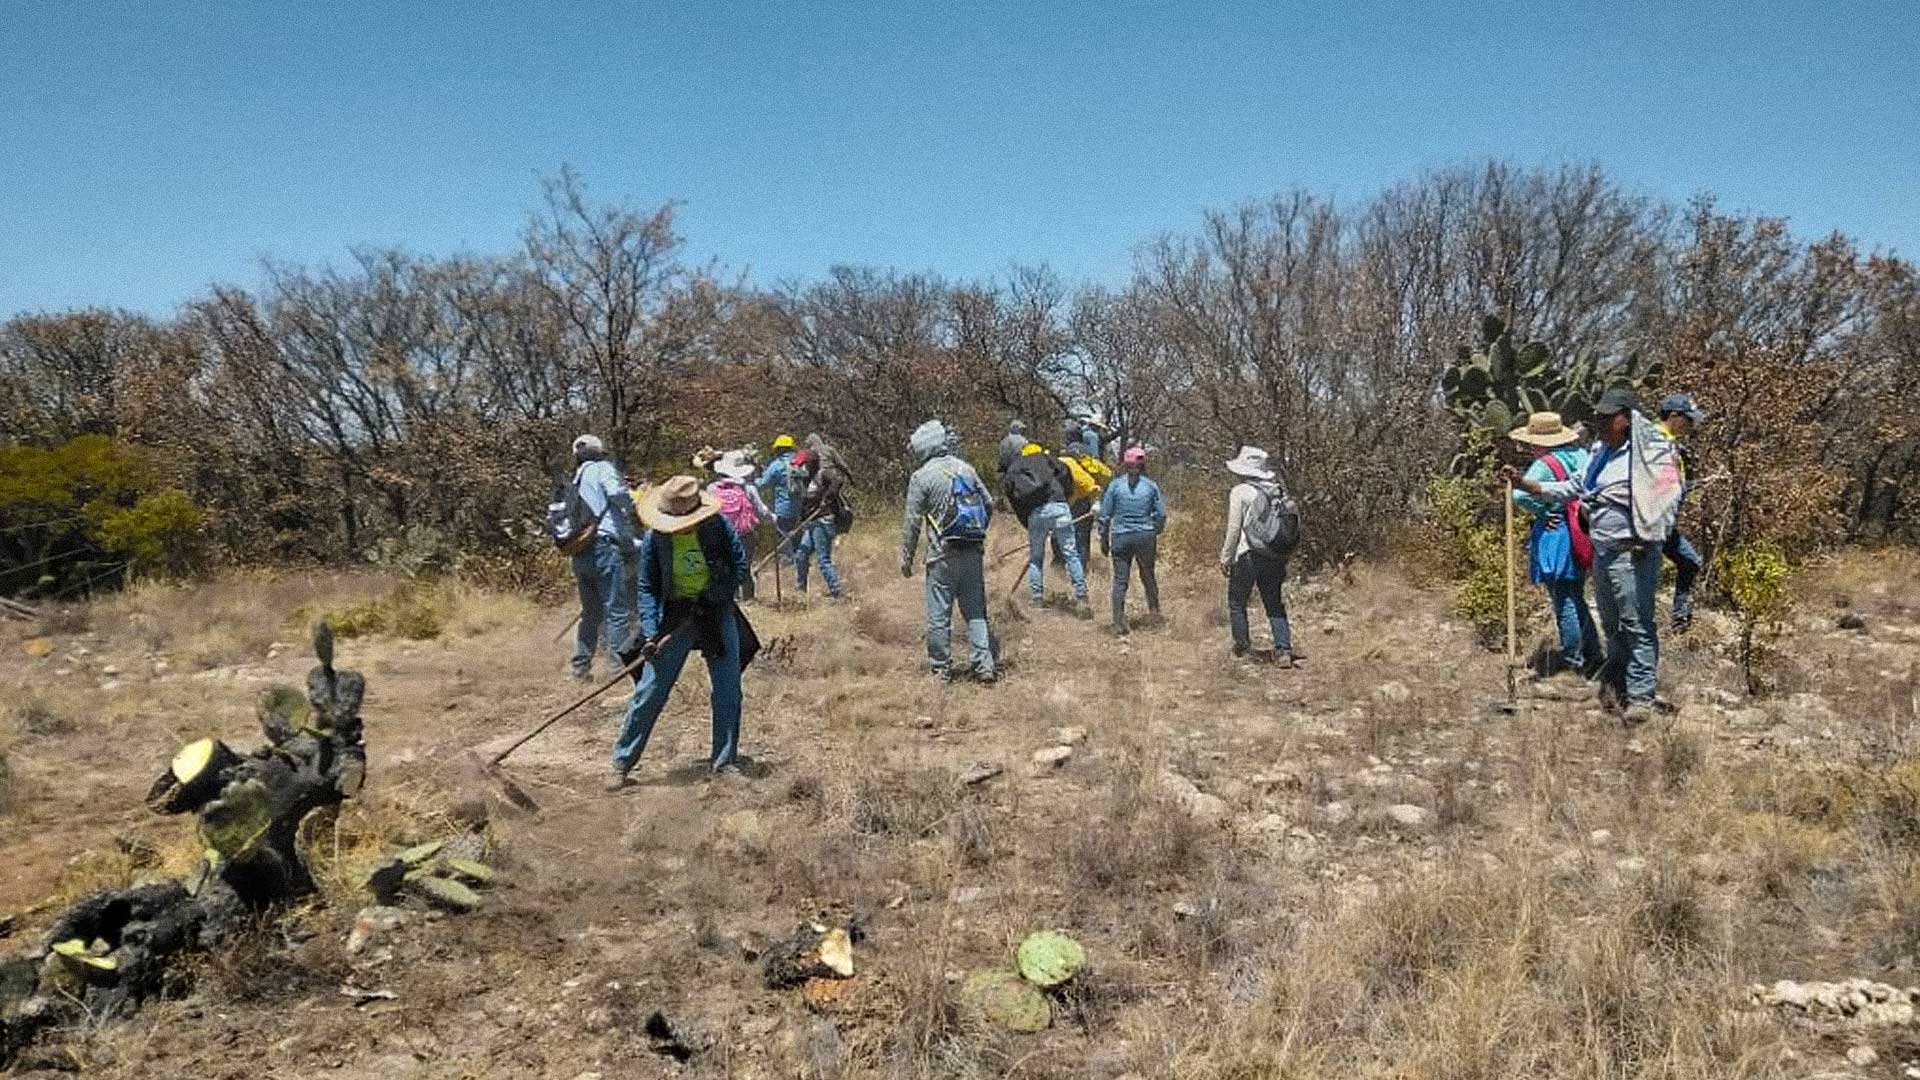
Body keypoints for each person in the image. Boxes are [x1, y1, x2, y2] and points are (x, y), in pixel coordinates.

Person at [1508, 387, 1668, 725]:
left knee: (1636, 624)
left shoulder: (1647, 455)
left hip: (1633, 552)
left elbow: (1667, 495)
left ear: (1625, 418)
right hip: (1604, 550)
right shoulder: (1599, 453)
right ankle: (1616, 686)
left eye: (1607, 417)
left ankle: (1641, 696)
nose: (1600, 422)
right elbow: (1574, 487)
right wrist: (1526, 484)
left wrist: (1647, 531)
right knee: (1612, 624)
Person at [608, 475, 758, 789]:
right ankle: (621, 763)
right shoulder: (656, 538)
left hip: (715, 612)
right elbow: (648, 586)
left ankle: (724, 763)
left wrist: (716, 594)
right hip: (674, 617)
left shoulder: (717, 527)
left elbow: (739, 565)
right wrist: (650, 633)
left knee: (728, 689)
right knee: (650, 690)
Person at [900, 419, 998, 682]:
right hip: (972, 551)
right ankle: (985, 666)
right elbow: (988, 503)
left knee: (939, 615)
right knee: (976, 612)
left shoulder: (921, 478)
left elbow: (912, 522)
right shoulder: (966, 469)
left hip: (941, 554)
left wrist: (906, 559)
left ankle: (941, 670)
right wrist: (979, 533)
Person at [1508, 412, 1601, 681]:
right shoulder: (1582, 456)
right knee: (1576, 596)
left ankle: (1574, 662)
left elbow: (1520, 494)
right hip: (1582, 530)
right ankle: (1593, 654)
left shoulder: (1544, 464)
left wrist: (1544, 511)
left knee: (1563, 598)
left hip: (1557, 532)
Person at [564, 434, 638, 681]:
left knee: (591, 612)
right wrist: (633, 502)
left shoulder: (576, 478)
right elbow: (616, 493)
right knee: (616, 610)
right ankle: (620, 669)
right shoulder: (603, 468)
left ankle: (580, 667)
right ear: (599, 452)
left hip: (580, 549)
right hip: (605, 546)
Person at [1220, 446, 1296, 665]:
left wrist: (1226, 557)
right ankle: (1283, 650)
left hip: (1248, 554)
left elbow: (1234, 529)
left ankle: (1243, 648)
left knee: (1237, 602)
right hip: (1273, 554)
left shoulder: (1240, 492)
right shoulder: (1277, 490)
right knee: (1274, 603)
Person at [1003, 444, 1091, 616]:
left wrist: (1029, 524)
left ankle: (1037, 599)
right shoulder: (1045, 458)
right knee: (1071, 554)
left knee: (1036, 558)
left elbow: (1016, 504)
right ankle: (1082, 597)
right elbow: (1065, 472)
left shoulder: (1012, 471)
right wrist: (1064, 497)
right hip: (1059, 507)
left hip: (1035, 513)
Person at [1099, 446, 1167, 635]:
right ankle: (1154, 613)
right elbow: (1161, 514)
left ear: (1125, 464)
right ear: (1142, 464)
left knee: (1120, 580)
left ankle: (1118, 622)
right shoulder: (1151, 486)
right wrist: (1156, 531)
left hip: (1120, 536)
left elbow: (1104, 516)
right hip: (1145, 535)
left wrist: (1103, 540)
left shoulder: (1115, 486)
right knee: (1148, 575)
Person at [1657, 393, 1707, 633]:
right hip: (1654, 523)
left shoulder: (1672, 444)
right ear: (1674, 416)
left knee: (1691, 562)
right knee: (1688, 562)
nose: (1691, 425)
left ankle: (1681, 621)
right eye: (1688, 419)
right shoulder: (1658, 443)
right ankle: (1678, 621)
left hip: (1664, 523)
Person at [709, 451, 775, 602]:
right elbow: (762, 511)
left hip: (720, 534)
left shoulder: (712, 489)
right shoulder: (748, 488)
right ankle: (749, 598)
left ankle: (731, 598)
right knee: (744, 566)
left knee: (725, 566)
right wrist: (773, 519)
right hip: (744, 534)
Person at [792, 434, 848, 599]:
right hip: (811, 522)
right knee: (801, 555)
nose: (800, 468)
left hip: (824, 521)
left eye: (803, 465)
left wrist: (827, 499)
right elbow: (804, 504)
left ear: (811, 464)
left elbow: (838, 481)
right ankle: (801, 589)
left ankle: (837, 591)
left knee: (823, 559)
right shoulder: (805, 480)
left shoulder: (823, 474)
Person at [1057, 444, 1113, 571]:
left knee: (1063, 535)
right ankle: (1080, 567)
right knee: (1082, 537)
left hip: (1069, 501)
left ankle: (1062, 566)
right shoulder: (1089, 461)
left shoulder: (1065, 462)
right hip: (1085, 501)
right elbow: (1107, 475)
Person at [759, 435, 800, 571]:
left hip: (783, 507)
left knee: (783, 536)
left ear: (780, 449)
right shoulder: (798, 463)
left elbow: (762, 483)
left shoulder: (777, 465)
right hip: (799, 507)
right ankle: (799, 560)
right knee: (795, 534)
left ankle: (791, 562)